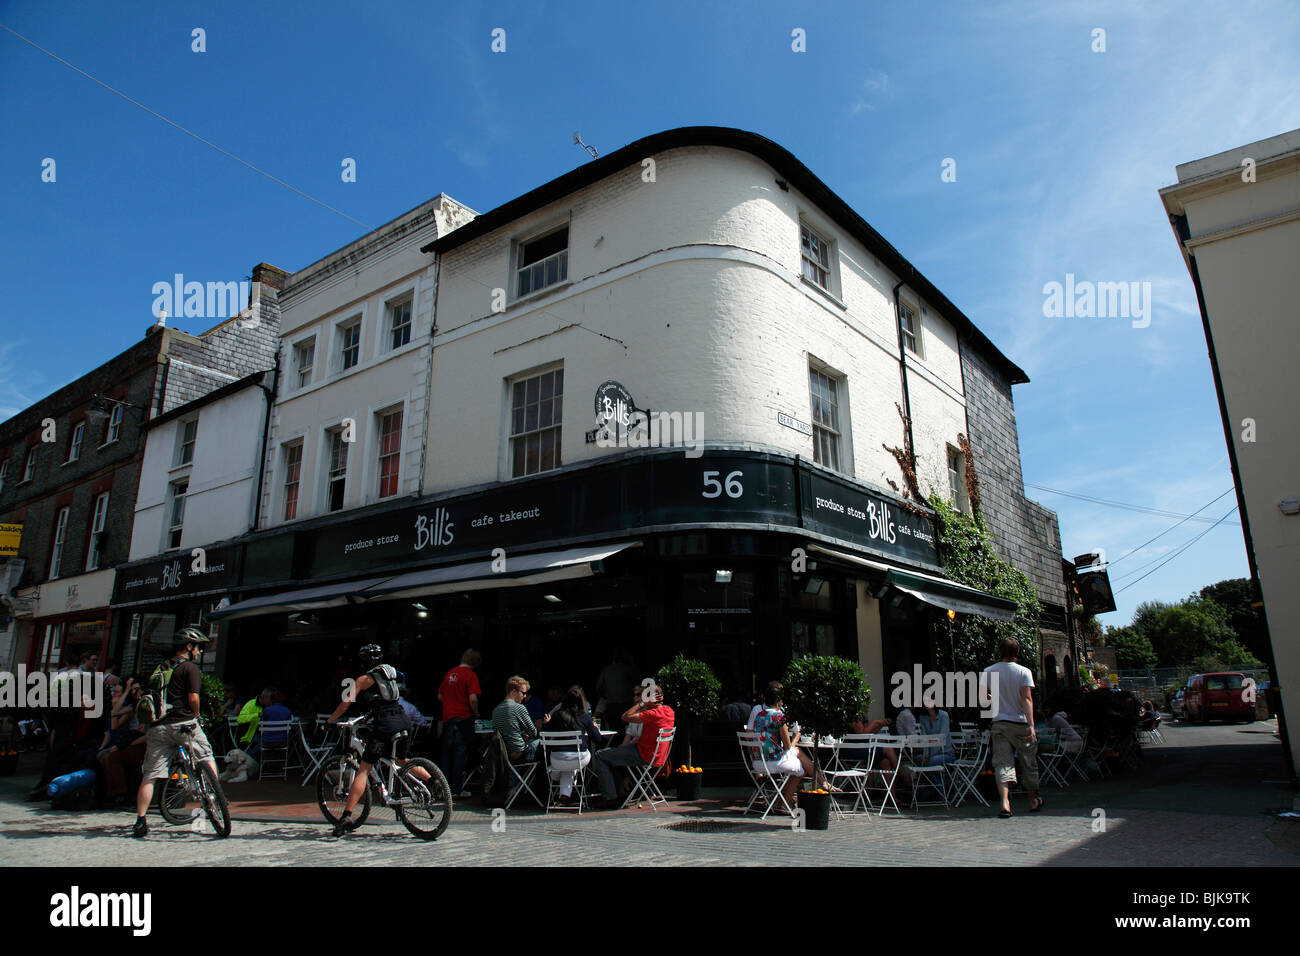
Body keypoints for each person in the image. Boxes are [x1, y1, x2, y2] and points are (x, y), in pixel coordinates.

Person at [325, 643, 431, 837]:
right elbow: (385, 698)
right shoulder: (390, 672)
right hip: (402, 719)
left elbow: (345, 704)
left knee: (364, 769)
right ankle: (436, 784)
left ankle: (346, 816)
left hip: (385, 723)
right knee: (401, 761)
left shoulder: (364, 679)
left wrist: (330, 720)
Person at [132, 628, 221, 838]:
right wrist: (196, 714)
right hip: (183, 723)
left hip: (158, 726)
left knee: (150, 776)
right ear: (189, 647)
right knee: (206, 755)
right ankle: (213, 796)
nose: (199, 651)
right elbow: (193, 698)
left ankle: (140, 821)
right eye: (198, 647)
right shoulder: (190, 668)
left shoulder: (160, 668)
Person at [981, 637, 1042, 818]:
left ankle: (1005, 803)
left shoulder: (988, 672)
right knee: (1028, 762)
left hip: (1000, 723)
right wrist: (1031, 725)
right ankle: (1032, 800)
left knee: (1002, 762)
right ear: (1017, 652)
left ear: (1000, 651)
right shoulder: (1024, 672)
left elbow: (983, 700)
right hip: (1020, 722)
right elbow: (1027, 699)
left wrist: (995, 697)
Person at [592, 683, 675, 806]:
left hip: (644, 754)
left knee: (600, 755)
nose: (640, 699)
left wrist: (642, 704)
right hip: (657, 756)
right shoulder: (669, 711)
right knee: (612, 753)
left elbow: (625, 717)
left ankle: (610, 798)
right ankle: (619, 793)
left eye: (643, 697)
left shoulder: (652, 714)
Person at [750, 681, 819, 805]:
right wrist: (793, 744)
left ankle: (777, 801)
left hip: (757, 763)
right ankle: (783, 803)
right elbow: (787, 746)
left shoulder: (759, 715)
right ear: (778, 701)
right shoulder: (779, 717)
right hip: (773, 762)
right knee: (800, 770)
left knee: (796, 762)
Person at [544, 686, 602, 804]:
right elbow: (597, 739)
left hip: (556, 759)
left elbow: (545, 733)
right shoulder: (584, 717)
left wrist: (546, 724)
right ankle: (562, 786)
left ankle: (564, 794)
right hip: (578, 759)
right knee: (572, 762)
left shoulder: (556, 716)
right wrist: (594, 728)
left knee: (567, 765)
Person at [438, 649, 482, 798]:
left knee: (446, 754)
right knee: (460, 754)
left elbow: (440, 696)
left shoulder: (449, 673)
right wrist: (475, 712)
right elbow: (473, 699)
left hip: (448, 718)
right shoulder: (470, 675)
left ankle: (443, 787)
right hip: (463, 719)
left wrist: (450, 705)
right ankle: (456, 789)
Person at [98, 677, 146, 807]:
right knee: (103, 757)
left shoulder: (146, 704)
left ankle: (120, 793)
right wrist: (125, 692)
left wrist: (125, 745)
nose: (134, 692)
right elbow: (115, 713)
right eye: (132, 690)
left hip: (140, 743)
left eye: (137, 689)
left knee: (112, 757)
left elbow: (147, 733)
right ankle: (112, 792)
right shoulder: (133, 705)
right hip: (129, 741)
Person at [492, 676, 545, 764]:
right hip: (520, 753)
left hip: (502, 754)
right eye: (523, 693)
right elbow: (533, 732)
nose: (524, 696)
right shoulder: (519, 707)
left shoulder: (496, 709)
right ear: (513, 692)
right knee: (548, 742)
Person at [596, 650, 638, 733]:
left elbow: (598, 687)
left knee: (613, 731)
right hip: (625, 705)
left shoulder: (606, 670)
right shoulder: (628, 670)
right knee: (626, 730)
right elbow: (638, 682)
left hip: (612, 705)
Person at [236, 688, 273, 756]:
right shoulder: (251, 704)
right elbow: (240, 719)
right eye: (271, 699)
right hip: (248, 735)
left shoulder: (268, 706)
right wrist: (257, 715)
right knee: (265, 742)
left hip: (262, 733)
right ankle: (248, 758)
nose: (272, 701)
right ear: (265, 698)